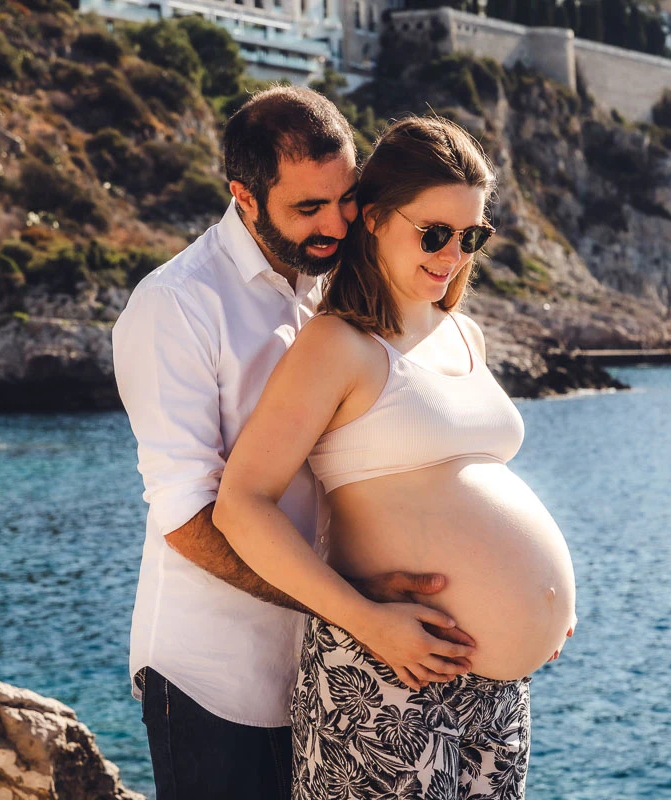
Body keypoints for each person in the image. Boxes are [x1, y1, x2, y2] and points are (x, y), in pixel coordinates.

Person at [112, 88, 474, 800]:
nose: (333, 225)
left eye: (344, 200)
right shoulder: (175, 306)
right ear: (244, 197)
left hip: (333, 668)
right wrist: (351, 604)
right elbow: (187, 518)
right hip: (214, 677)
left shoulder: (339, 284)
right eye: (307, 208)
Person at [213, 115, 578, 800]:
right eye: (434, 233)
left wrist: (543, 612)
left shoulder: (461, 332)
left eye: (472, 237)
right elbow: (241, 505)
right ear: (375, 219)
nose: (453, 255)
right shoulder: (337, 345)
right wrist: (368, 619)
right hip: (386, 678)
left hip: (495, 695)